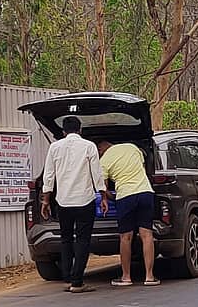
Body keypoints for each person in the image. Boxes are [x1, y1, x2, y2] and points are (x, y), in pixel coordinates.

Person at [41, 117, 109, 293]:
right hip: (84, 201)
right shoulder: (89, 146)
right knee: (82, 240)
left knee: (65, 239)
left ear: (63, 132)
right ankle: (77, 282)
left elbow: (49, 175)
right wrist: (103, 196)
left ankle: (67, 278)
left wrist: (46, 200)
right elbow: (97, 174)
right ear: (80, 130)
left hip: (63, 202)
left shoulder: (54, 147)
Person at [97, 140, 160, 287]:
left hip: (125, 196)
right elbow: (142, 166)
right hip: (145, 192)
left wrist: (108, 198)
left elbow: (103, 187)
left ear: (101, 149)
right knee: (147, 234)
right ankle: (149, 277)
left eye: (98, 151)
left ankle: (126, 277)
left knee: (126, 237)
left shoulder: (103, 161)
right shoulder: (133, 147)